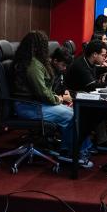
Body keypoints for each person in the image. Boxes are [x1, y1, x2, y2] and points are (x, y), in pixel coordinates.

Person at [12, 31, 91, 166]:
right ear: (39, 46)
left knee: (74, 113)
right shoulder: (33, 66)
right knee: (74, 115)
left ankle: (69, 150)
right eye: (45, 45)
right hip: (29, 107)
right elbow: (43, 93)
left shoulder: (33, 62)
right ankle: (74, 153)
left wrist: (56, 98)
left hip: (35, 104)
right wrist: (58, 99)